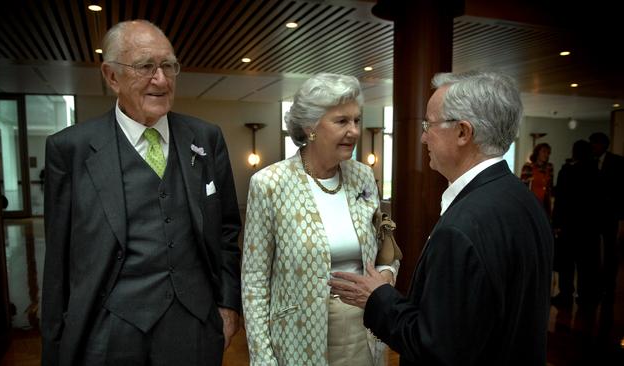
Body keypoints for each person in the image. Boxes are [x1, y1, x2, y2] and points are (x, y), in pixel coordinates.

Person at [41, 20, 241, 365]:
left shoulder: (206, 138)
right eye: (146, 67)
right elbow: (58, 258)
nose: (160, 80)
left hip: (194, 325)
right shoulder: (70, 150)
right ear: (111, 76)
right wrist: (55, 343)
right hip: (110, 328)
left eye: (168, 66)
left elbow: (226, 230)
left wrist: (227, 304)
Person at [329, 71, 554, 365]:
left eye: (429, 124)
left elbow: (436, 348)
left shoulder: (463, 227)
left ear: (463, 132)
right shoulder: (521, 199)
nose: (423, 137)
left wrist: (378, 298)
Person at [241, 73, 400, 366]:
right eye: (341, 121)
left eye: (356, 120)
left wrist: (388, 272)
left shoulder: (362, 176)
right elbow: (254, 280)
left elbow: (383, 246)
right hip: (297, 338)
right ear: (310, 127)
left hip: (364, 332)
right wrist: (263, 357)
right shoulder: (270, 184)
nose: (354, 130)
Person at [551, 140, 600, 308]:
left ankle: (566, 295)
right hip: (589, 226)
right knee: (586, 263)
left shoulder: (567, 171)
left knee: (567, 264)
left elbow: (561, 200)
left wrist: (556, 223)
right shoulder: (596, 172)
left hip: (569, 225)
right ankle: (585, 296)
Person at [589, 132, 624, 303]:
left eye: (594, 143)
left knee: (610, 251)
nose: (592, 147)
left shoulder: (617, 162)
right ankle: (596, 284)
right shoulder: (590, 162)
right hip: (594, 216)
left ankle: (609, 284)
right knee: (594, 251)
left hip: (610, 215)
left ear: (603, 144)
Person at [520, 142, 554, 217]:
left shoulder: (549, 167)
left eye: (548, 152)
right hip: (533, 203)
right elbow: (523, 187)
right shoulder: (528, 167)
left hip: (546, 204)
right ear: (537, 152)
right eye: (544, 151)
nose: (546, 154)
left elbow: (550, 186)